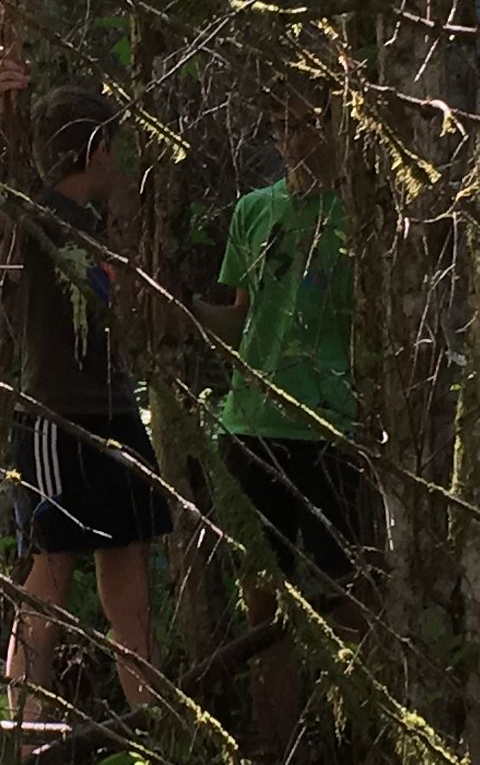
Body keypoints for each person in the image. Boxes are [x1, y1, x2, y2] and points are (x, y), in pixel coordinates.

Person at [0, 46, 173, 731]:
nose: (118, 160)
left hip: (116, 419)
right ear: (96, 150)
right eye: (113, 147)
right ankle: (24, 735)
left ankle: (153, 729)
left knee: (127, 590)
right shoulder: (32, 216)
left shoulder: (101, 231)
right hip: (54, 422)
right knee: (47, 583)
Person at [193, 85, 361, 758]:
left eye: (304, 125)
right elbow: (240, 317)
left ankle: (352, 734)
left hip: (330, 426)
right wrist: (184, 313)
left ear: (334, 126)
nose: (291, 141)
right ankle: (273, 742)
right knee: (262, 600)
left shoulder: (358, 217)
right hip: (251, 423)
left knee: (345, 595)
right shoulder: (254, 211)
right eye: (279, 126)